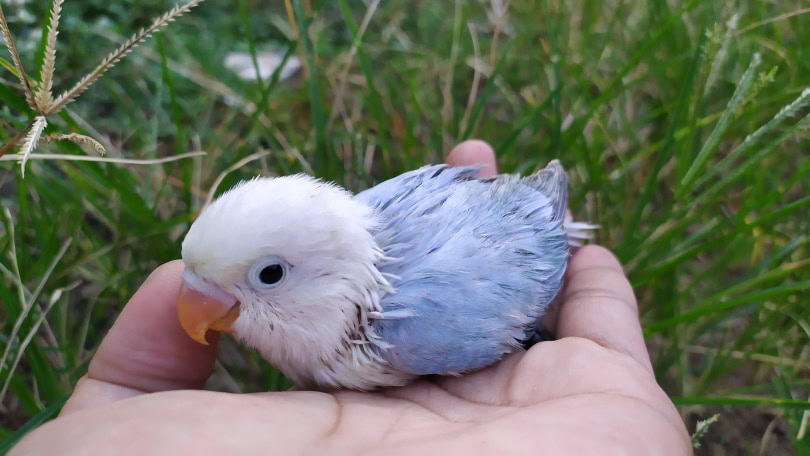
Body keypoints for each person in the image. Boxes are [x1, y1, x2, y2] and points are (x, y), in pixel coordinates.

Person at [11, 140, 692, 455]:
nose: (208, 311)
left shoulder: (421, 322)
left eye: (268, 277)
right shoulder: (335, 270)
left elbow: (536, 219)